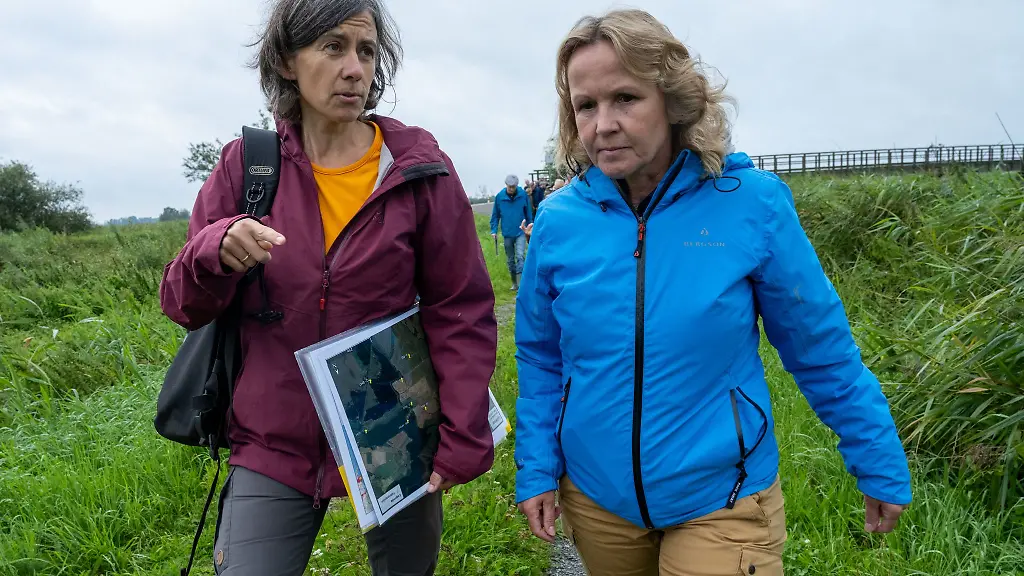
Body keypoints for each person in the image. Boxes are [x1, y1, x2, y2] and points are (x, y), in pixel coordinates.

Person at [513, 9, 912, 576]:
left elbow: (820, 347)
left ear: (672, 100)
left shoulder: (751, 204)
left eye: (625, 98)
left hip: (724, 496)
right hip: (599, 502)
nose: (603, 124)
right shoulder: (557, 221)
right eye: (586, 105)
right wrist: (536, 466)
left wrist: (875, 452)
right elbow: (541, 355)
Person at [159, 1, 498, 574]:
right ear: (287, 61)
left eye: (366, 51)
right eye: (333, 47)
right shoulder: (248, 167)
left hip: (393, 431)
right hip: (273, 441)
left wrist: (462, 427)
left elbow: (458, 307)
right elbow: (182, 304)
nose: (355, 69)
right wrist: (214, 250)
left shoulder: (416, 167)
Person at [490, 174, 533, 291]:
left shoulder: (522, 195)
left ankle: (521, 286)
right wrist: (493, 230)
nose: (511, 189)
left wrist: (530, 226)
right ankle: (514, 283)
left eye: (513, 187)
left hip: (520, 231)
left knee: (520, 256)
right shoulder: (500, 197)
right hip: (507, 232)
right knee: (510, 259)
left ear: (516, 185)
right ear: (506, 185)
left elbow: (528, 212)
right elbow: (495, 215)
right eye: (509, 187)